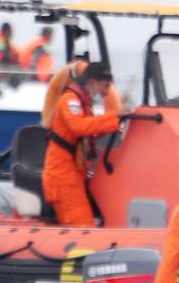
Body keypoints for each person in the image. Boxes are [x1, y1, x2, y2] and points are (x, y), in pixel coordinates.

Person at [41, 61, 123, 227]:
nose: (107, 92)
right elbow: (80, 127)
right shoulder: (70, 100)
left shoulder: (83, 104)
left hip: (72, 176)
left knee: (85, 225)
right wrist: (115, 118)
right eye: (105, 86)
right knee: (82, 227)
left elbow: (89, 133)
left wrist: (118, 122)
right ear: (92, 82)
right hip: (63, 179)